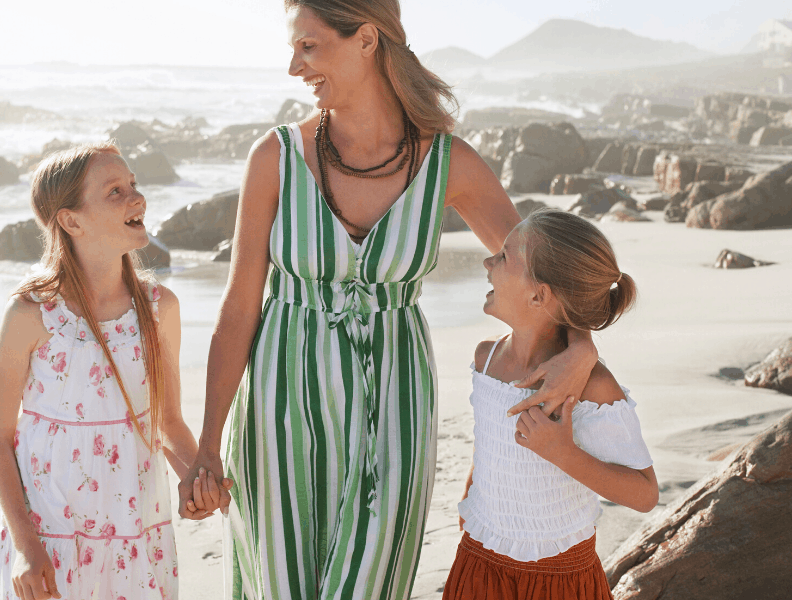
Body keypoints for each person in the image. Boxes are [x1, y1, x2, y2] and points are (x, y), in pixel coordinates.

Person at [178, 2, 601, 599]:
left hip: (395, 405)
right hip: (279, 408)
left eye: (309, 47)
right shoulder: (275, 158)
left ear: (367, 40)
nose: (294, 68)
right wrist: (207, 446)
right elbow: (239, 311)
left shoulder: (448, 164)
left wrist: (581, 348)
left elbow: (543, 273)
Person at [0, 144, 224, 600]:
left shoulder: (158, 309)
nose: (137, 198)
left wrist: (195, 480)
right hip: (49, 533)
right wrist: (25, 545)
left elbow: (167, 421)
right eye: (115, 191)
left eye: (134, 184)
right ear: (71, 221)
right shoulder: (32, 313)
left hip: (134, 527)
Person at [445, 209, 659, 599]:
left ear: (539, 295)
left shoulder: (592, 385)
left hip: (558, 580)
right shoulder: (485, 359)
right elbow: (489, 446)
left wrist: (564, 453)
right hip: (479, 563)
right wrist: (470, 497)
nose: (488, 262)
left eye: (504, 257)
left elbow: (645, 494)